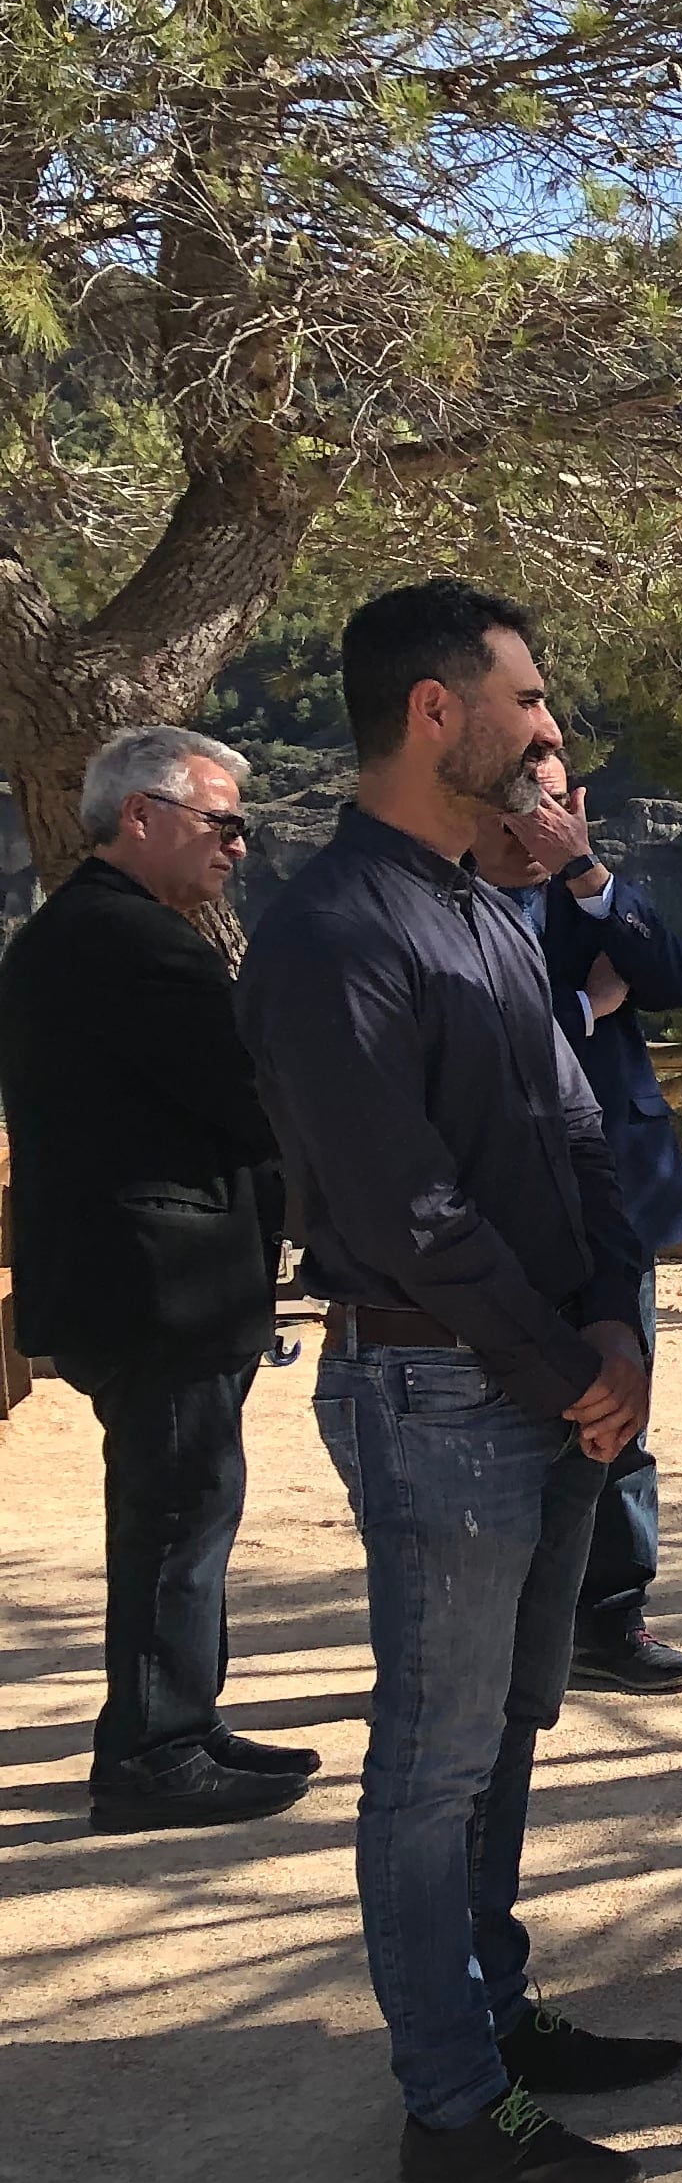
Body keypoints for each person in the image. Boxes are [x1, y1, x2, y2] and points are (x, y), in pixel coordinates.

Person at [240, 579, 679, 2183]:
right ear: (439, 710)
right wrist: (578, 1365)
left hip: (545, 1380)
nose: (550, 731)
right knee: (431, 1756)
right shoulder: (334, 933)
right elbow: (409, 1206)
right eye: (529, 701)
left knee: (503, 1731)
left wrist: (615, 1324)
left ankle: (493, 2015)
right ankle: (451, 2099)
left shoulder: (483, 907)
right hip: (434, 1392)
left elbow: (576, 1126)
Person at [0, 725, 315, 1831]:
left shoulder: (84, 932)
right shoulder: (136, 945)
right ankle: (154, 1750)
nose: (238, 844)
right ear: (142, 816)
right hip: (159, 1285)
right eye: (220, 822)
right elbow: (246, 1096)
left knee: (183, 1509)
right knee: (178, 1515)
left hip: (140, 1278)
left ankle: (183, 1716)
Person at [511, 772, 682, 1694]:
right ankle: (515, 1625)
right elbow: (479, 1037)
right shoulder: (445, 888)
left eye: (561, 798)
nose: (548, 816)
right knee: (517, 1417)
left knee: (623, 1405)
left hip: (617, 1193)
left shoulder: (580, 888)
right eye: (530, 796)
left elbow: (673, 976)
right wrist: (588, 1010)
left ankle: (612, 1619)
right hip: (501, 1192)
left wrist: (586, 872)